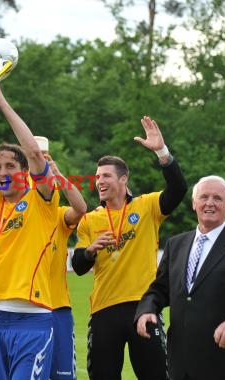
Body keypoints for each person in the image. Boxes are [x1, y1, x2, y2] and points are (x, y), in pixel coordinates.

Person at [71, 116, 188, 380]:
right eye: (97, 176)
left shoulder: (146, 206)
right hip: (103, 310)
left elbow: (179, 189)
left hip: (144, 307)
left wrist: (162, 152)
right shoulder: (89, 219)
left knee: (156, 375)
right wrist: (90, 250)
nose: (99, 181)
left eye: (106, 176)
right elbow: (78, 267)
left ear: (124, 180)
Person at [0, 73, 61, 380]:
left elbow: (34, 152)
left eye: (10, 166)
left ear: (25, 172)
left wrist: (0, 101)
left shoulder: (42, 200)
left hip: (33, 319)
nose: (3, 171)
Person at [135, 175, 225, 380]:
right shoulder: (176, 244)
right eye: (204, 197)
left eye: (217, 198)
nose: (210, 203)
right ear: (194, 204)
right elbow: (159, 289)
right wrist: (147, 309)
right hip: (180, 363)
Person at [34, 136, 87, 380]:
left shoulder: (58, 214)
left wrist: (59, 175)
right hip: (27, 309)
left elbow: (80, 208)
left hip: (57, 308)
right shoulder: (15, 213)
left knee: (62, 375)